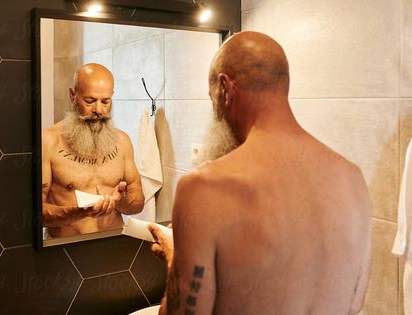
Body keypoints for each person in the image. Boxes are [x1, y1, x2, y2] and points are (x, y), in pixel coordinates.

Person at [149, 31, 371, 315]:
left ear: (225, 88)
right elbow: (354, 303)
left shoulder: (205, 188)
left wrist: (175, 258)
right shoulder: (351, 179)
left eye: (212, 99)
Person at [42, 63, 144, 238]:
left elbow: (138, 203)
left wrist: (119, 202)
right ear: (72, 95)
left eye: (105, 101)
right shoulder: (48, 141)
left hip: (114, 245)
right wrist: (78, 213)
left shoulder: (122, 141)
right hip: (67, 250)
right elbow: (34, 212)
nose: (98, 110)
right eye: (89, 101)